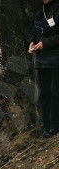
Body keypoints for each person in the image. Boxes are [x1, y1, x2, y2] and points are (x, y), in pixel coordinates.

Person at [28, 0, 59, 138]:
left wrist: (45, 43)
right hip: (41, 60)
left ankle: (55, 126)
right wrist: (31, 43)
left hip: (56, 58)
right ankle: (46, 127)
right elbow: (34, 33)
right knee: (44, 94)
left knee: (55, 92)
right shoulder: (39, 13)